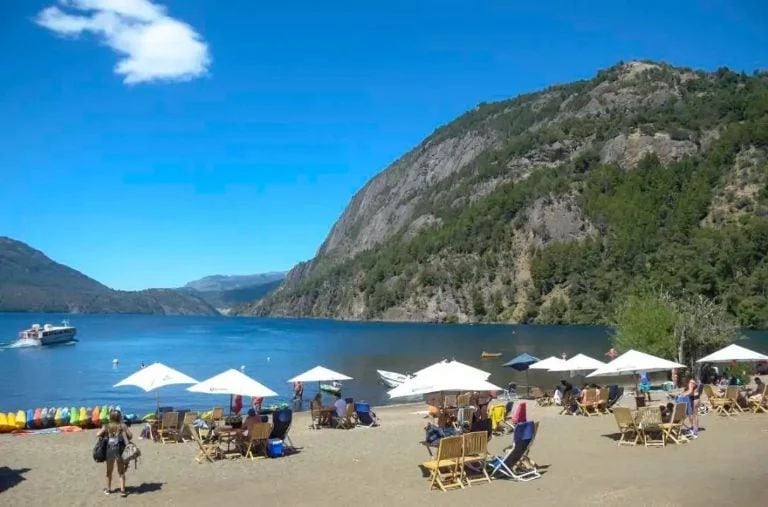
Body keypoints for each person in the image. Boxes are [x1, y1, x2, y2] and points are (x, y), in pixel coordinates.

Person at [97, 409, 133, 497]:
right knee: (121, 471)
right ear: (119, 417)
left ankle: (108, 489)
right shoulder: (122, 426)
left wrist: (105, 435)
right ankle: (122, 490)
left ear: (110, 417)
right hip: (120, 449)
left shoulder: (107, 426)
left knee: (109, 471)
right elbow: (131, 436)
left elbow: (98, 434)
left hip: (109, 450)